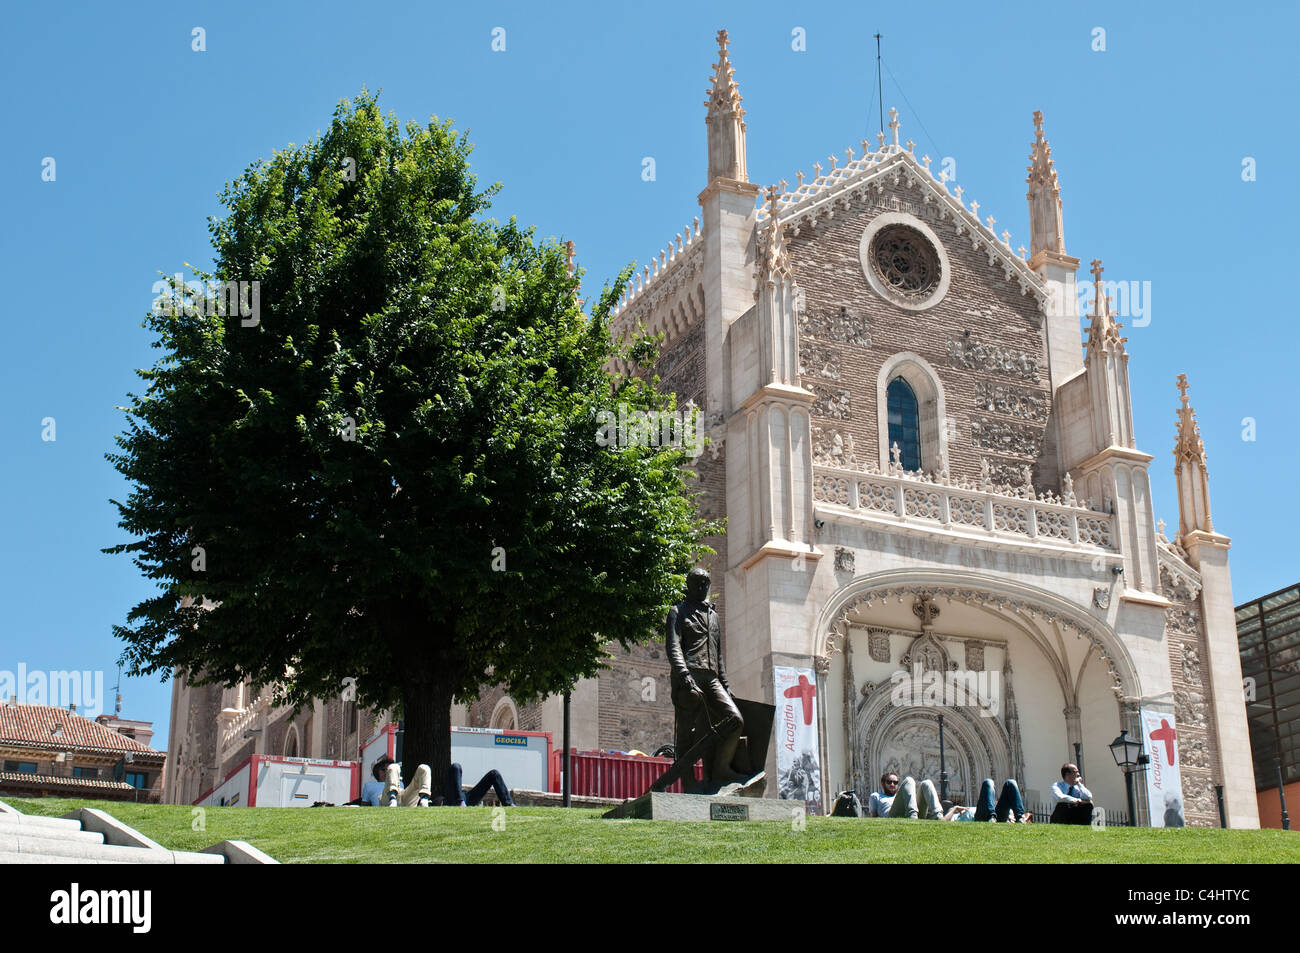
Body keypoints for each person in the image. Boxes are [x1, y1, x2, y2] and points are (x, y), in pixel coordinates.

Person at [667, 567, 747, 786]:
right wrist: (683, 674)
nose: (702, 587)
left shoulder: (714, 617)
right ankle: (689, 781)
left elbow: (718, 654)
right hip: (689, 675)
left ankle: (722, 769)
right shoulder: (678, 611)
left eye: (706, 583)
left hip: (712, 678)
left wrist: (726, 684)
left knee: (735, 720)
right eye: (698, 583)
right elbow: (673, 647)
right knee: (687, 733)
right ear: (689, 586)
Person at [360, 756, 515, 807]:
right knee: (455, 767)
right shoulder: (370, 786)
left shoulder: (399, 779)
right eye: (383, 769)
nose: (387, 771)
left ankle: (425, 800)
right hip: (387, 800)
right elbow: (363, 804)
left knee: (424, 768)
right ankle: (393, 798)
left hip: (405, 797)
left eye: (387, 769)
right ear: (378, 772)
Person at [942, 778, 1031, 822]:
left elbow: (1007, 812)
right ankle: (990, 818)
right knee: (988, 782)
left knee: (1010, 782)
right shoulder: (957, 815)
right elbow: (943, 821)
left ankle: (1020, 819)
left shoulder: (975, 807)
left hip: (995, 816)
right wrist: (955, 808)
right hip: (980, 817)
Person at [868, 771, 943, 819]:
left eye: (895, 782)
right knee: (909, 780)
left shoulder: (903, 795)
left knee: (927, 783)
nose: (892, 784)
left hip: (915, 813)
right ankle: (912, 815)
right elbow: (873, 817)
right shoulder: (876, 796)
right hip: (892, 816)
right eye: (889, 782)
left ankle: (938, 815)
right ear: (883, 783)